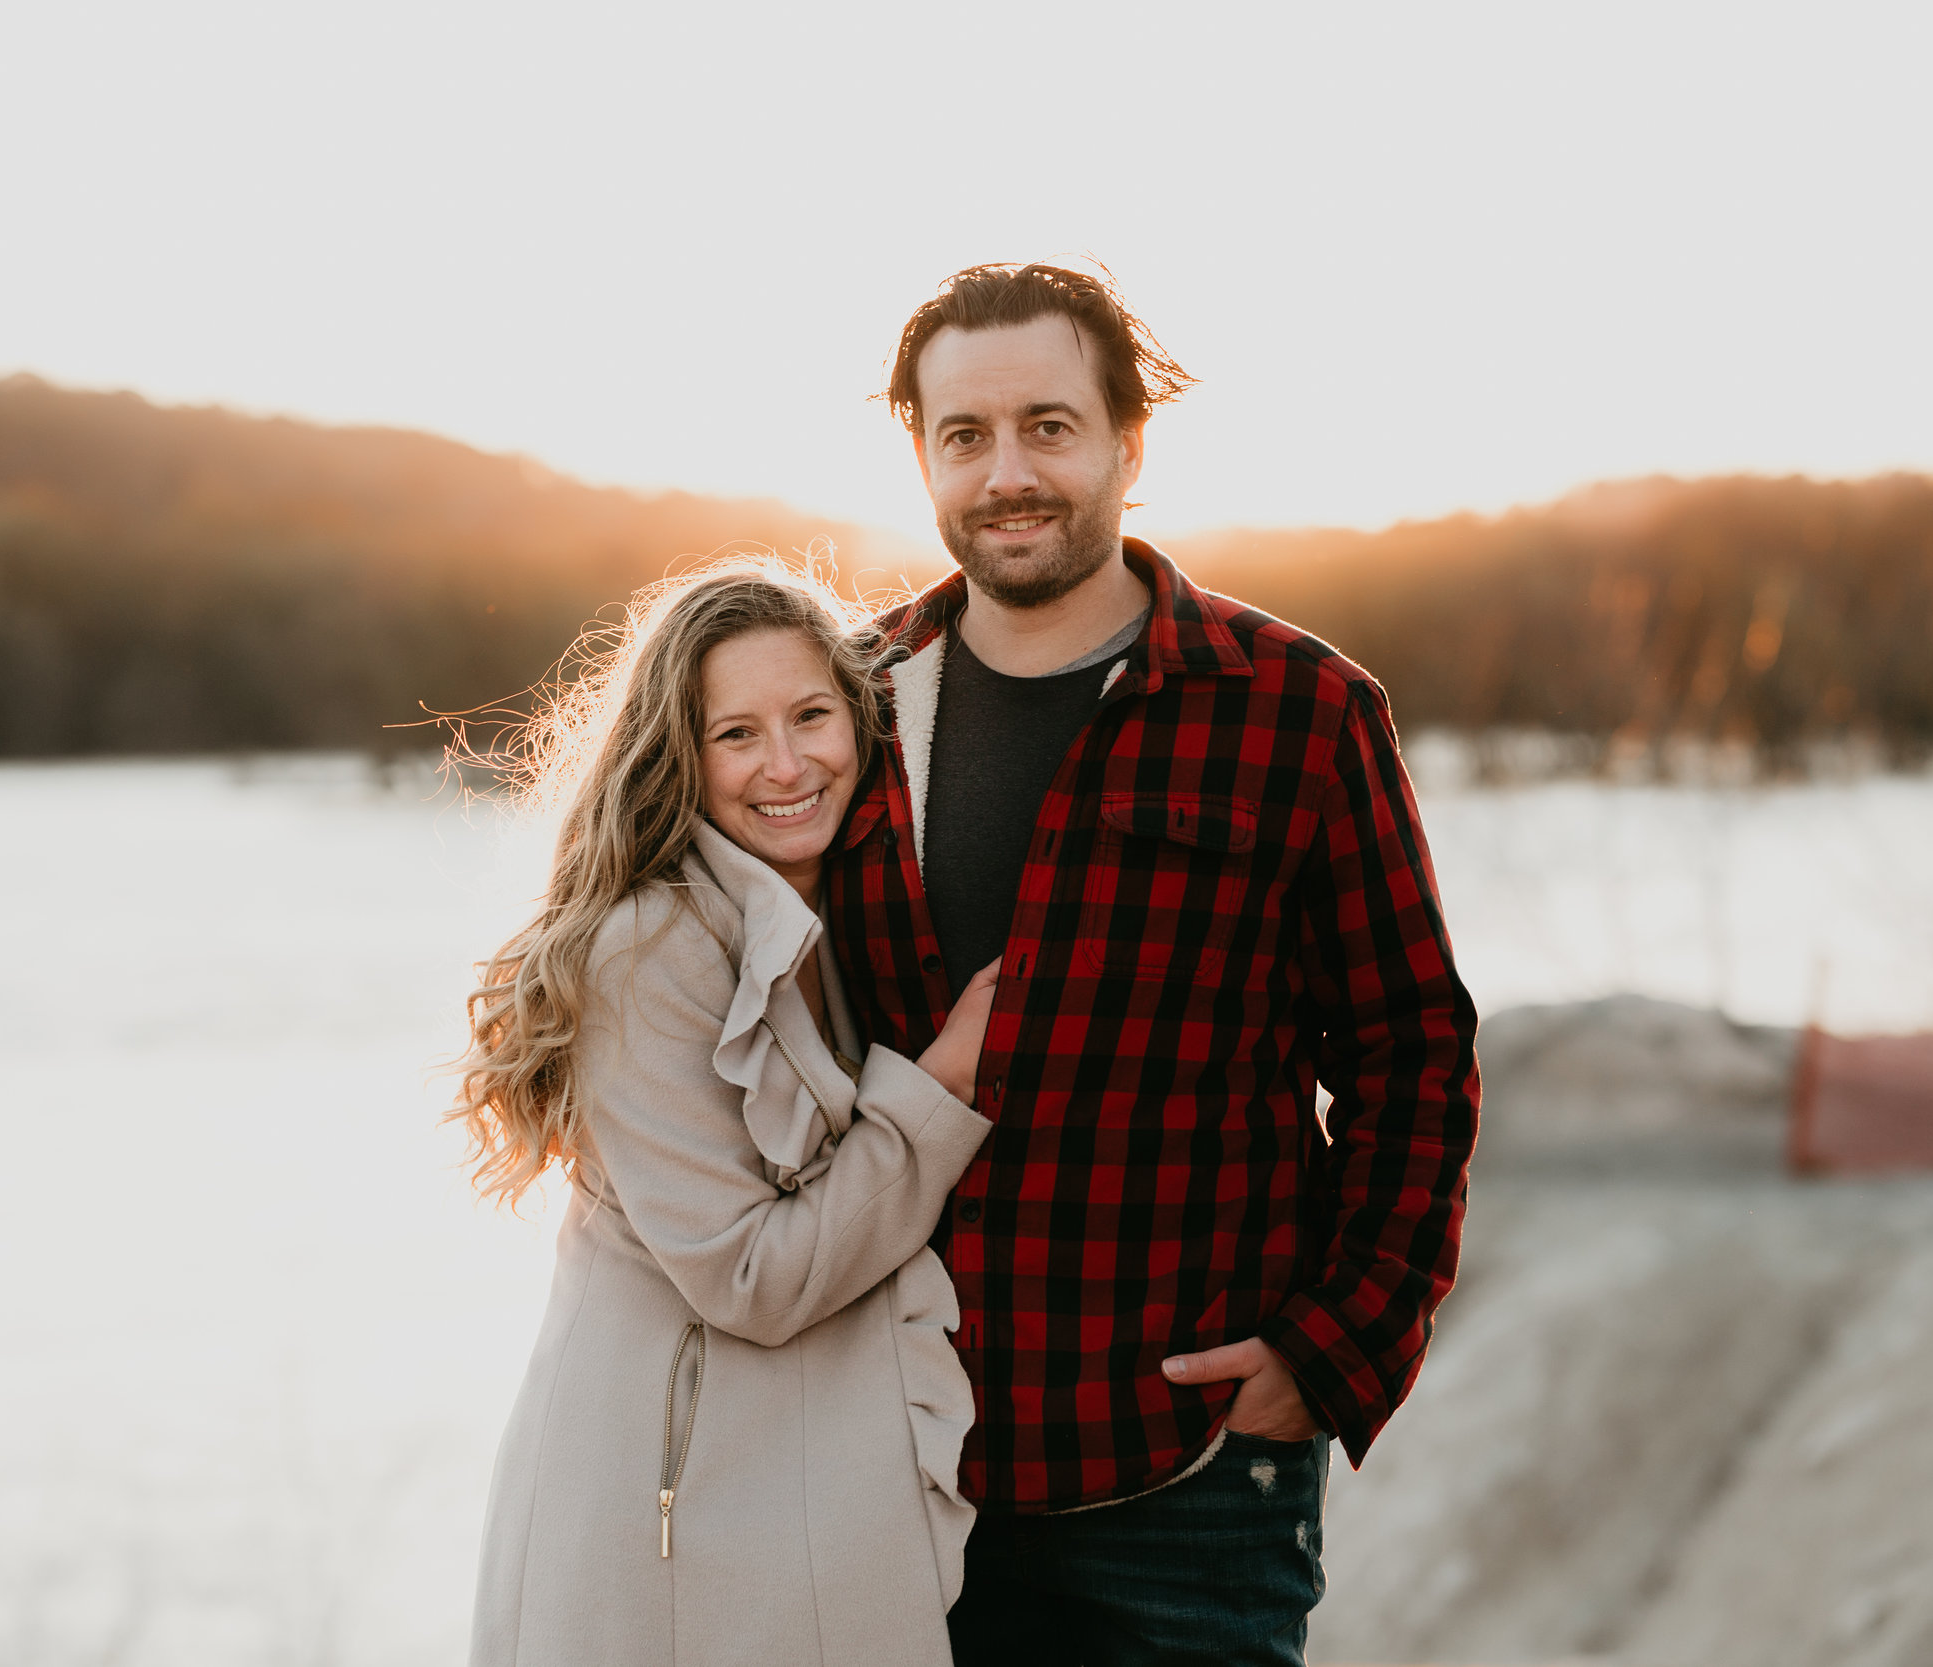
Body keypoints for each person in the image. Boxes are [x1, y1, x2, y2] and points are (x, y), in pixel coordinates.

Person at [823, 264, 1482, 1665]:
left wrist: (1334, 1346)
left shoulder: (1298, 711)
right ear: (923, 454)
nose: (1009, 472)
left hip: (1185, 1473)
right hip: (892, 1459)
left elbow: (1411, 1051)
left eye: (1049, 426)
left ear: (1131, 441)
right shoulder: (847, 710)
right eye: (966, 434)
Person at [456, 569, 1002, 1666]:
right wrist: (941, 1084)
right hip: (666, 1521)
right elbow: (750, 1275)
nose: (788, 766)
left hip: (775, 1502)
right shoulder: (645, 949)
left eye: (810, 716)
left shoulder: (824, 909)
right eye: (736, 733)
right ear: (677, 755)